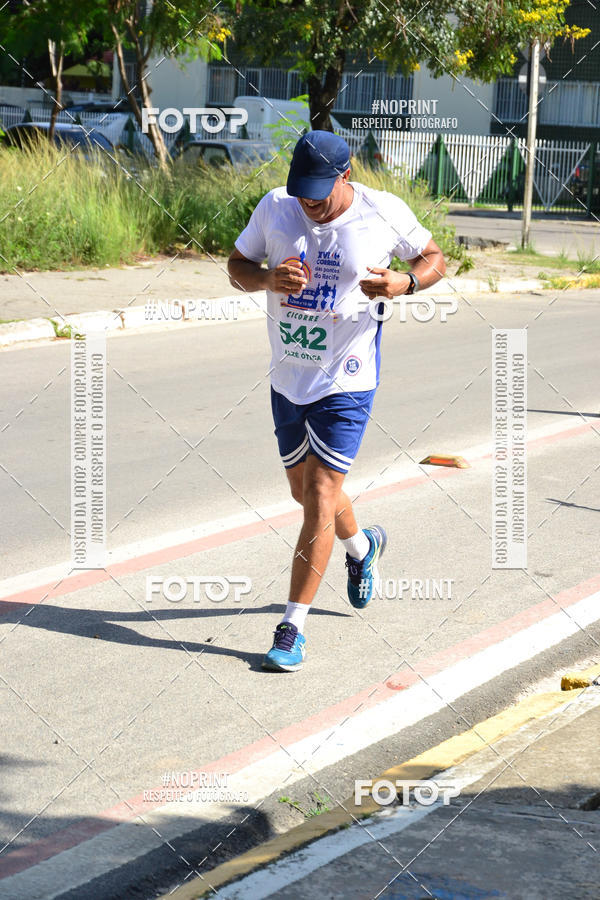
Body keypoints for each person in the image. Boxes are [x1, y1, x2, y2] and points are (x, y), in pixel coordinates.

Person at [228, 130, 446, 672]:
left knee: (323, 493)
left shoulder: (382, 211)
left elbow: (435, 258)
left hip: (347, 378)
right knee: (306, 493)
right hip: (288, 375)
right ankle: (361, 549)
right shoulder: (277, 208)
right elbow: (236, 267)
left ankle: (291, 627)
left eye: (319, 192)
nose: (310, 203)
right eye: (302, 191)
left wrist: (406, 283)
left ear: (345, 176)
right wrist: (264, 278)